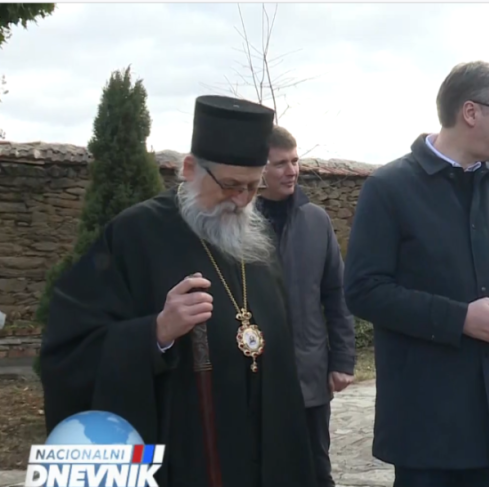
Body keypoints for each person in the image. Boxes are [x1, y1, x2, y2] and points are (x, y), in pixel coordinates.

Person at [39, 95, 319, 487]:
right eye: (230, 185)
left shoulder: (256, 241)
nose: (241, 201)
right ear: (189, 169)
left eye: (252, 187)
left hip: (264, 450)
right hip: (186, 455)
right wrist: (157, 332)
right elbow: (68, 353)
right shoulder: (135, 234)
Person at [342, 61, 489, 487]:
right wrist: (461, 319)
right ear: (470, 111)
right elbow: (364, 290)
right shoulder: (389, 188)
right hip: (427, 424)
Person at [256, 125, 356, 487]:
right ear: (259, 170)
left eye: (295, 161)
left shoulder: (317, 221)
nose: (292, 171)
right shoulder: (237, 223)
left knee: (315, 471)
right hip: (256, 376)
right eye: (280, 163)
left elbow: (336, 293)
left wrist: (342, 360)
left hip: (309, 374)